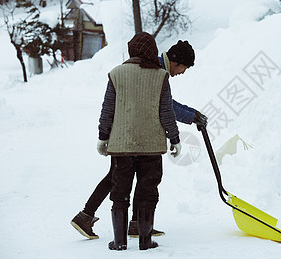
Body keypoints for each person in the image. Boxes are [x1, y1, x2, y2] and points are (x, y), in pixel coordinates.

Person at [70, 33, 207, 251]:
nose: (182, 74)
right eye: (184, 68)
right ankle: (88, 216)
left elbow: (165, 105)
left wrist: (193, 113)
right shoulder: (156, 70)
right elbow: (166, 108)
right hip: (140, 139)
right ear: (175, 61)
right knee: (136, 181)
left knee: (124, 179)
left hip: (123, 140)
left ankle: (128, 224)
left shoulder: (133, 70)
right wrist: (190, 118)